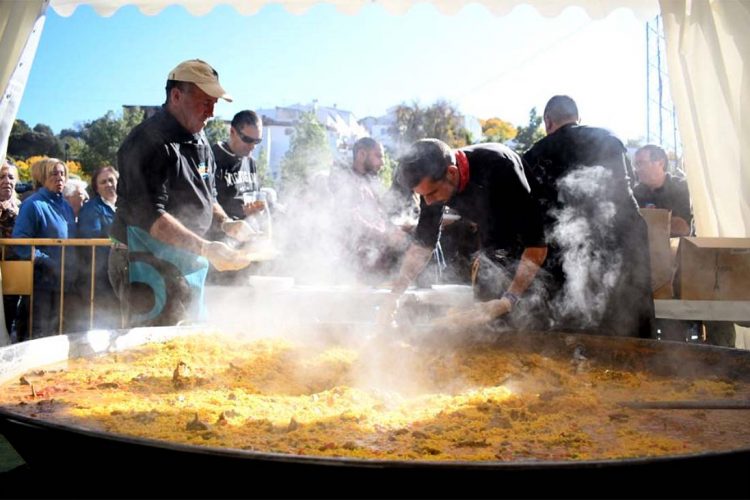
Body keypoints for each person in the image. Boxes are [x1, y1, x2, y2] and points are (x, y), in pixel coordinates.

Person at [109, 59, 255, 327]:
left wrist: (226, 223)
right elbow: (151, 216)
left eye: (214, 104)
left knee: (188, 338)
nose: (211, 112)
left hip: (186, 259)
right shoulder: (146, 141)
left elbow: (208, 196)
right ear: (177, 96)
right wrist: (204, 247)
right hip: (143, 259)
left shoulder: (201, 141)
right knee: (150, 344)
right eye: (205, 102)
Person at [523, 95, 655, 338]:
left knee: (571, 331)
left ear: (548, 122)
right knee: (626, 327)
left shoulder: (534, 155)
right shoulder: (607, 138)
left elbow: (533, 214)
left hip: (565, 256)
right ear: (577, 118)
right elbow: (627, 192)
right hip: (621, 242)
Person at [381, 138, 548, 331]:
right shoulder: (433, 183)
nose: (427, 202)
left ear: (452, 173)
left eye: (432, 193)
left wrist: (508, 300)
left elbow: (537, 245)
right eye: (422, 196)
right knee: (485, 325)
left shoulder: (500, 167)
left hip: (531, 251)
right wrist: (395, 295)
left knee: (526, 324)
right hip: (491, 247)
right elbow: (422, 245)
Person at [11, 158, 78, 340]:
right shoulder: (32, 205)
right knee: (38, 333)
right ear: (41, 177)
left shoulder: (66, 206)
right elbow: (20, 243)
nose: (60, 178)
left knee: (59, 332)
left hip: (64, 281)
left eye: (63, 173)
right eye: (54, 173)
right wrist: (48, 262)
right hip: (40, 283)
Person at [328, 137, 410, 283]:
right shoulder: (347, 182)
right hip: (356, 266)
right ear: (361, 155)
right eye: (378, 156)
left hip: (374, 261)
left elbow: (376, 218)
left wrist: (395, 228)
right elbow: (351, 220)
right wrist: (385, 235)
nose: (383, 162)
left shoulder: (366, 182)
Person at [77, 166, 119, 329]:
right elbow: (90, 240)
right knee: (105, 316)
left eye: (111, 180)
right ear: (96, 187)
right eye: (103, 182)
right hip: (101, 272)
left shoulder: (126, 205)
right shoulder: (91, 209)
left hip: (125, 269)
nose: (108, 184)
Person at [212, 110, 266, 223]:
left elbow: (255, 199)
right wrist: (228, 223)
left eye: (257, 141)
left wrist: (255, 211)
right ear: (232, 132)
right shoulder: (210, 158)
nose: (252, 147)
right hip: (220, 233)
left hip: (246, 232)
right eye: (247, 140)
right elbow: (205, 200)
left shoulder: (251, 162)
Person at [632, 144, 693, 237]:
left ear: (661, 163)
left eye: (641, 163)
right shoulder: (634, 194)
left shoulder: (683, 188)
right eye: (636, 164)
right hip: (643, 250)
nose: (637, 169)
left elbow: (687, 228)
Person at [0, 160, 21, 343]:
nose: (7, 181)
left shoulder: (20, 206)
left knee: (9, 312)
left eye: (11, 177)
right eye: (2, 176)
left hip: (14, 271)